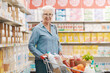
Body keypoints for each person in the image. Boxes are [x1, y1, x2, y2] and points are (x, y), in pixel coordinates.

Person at [28, 6, 62, 73]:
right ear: (42, 15)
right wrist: (41, 55)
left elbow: (58, 41)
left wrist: (60, 50)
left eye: (50, 14)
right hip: (42, 62)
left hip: (54, 62)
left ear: (52, 15)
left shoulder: (54, 27)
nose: (48, 16)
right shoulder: (37, 29)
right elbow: (31, 45)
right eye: (46, 14)